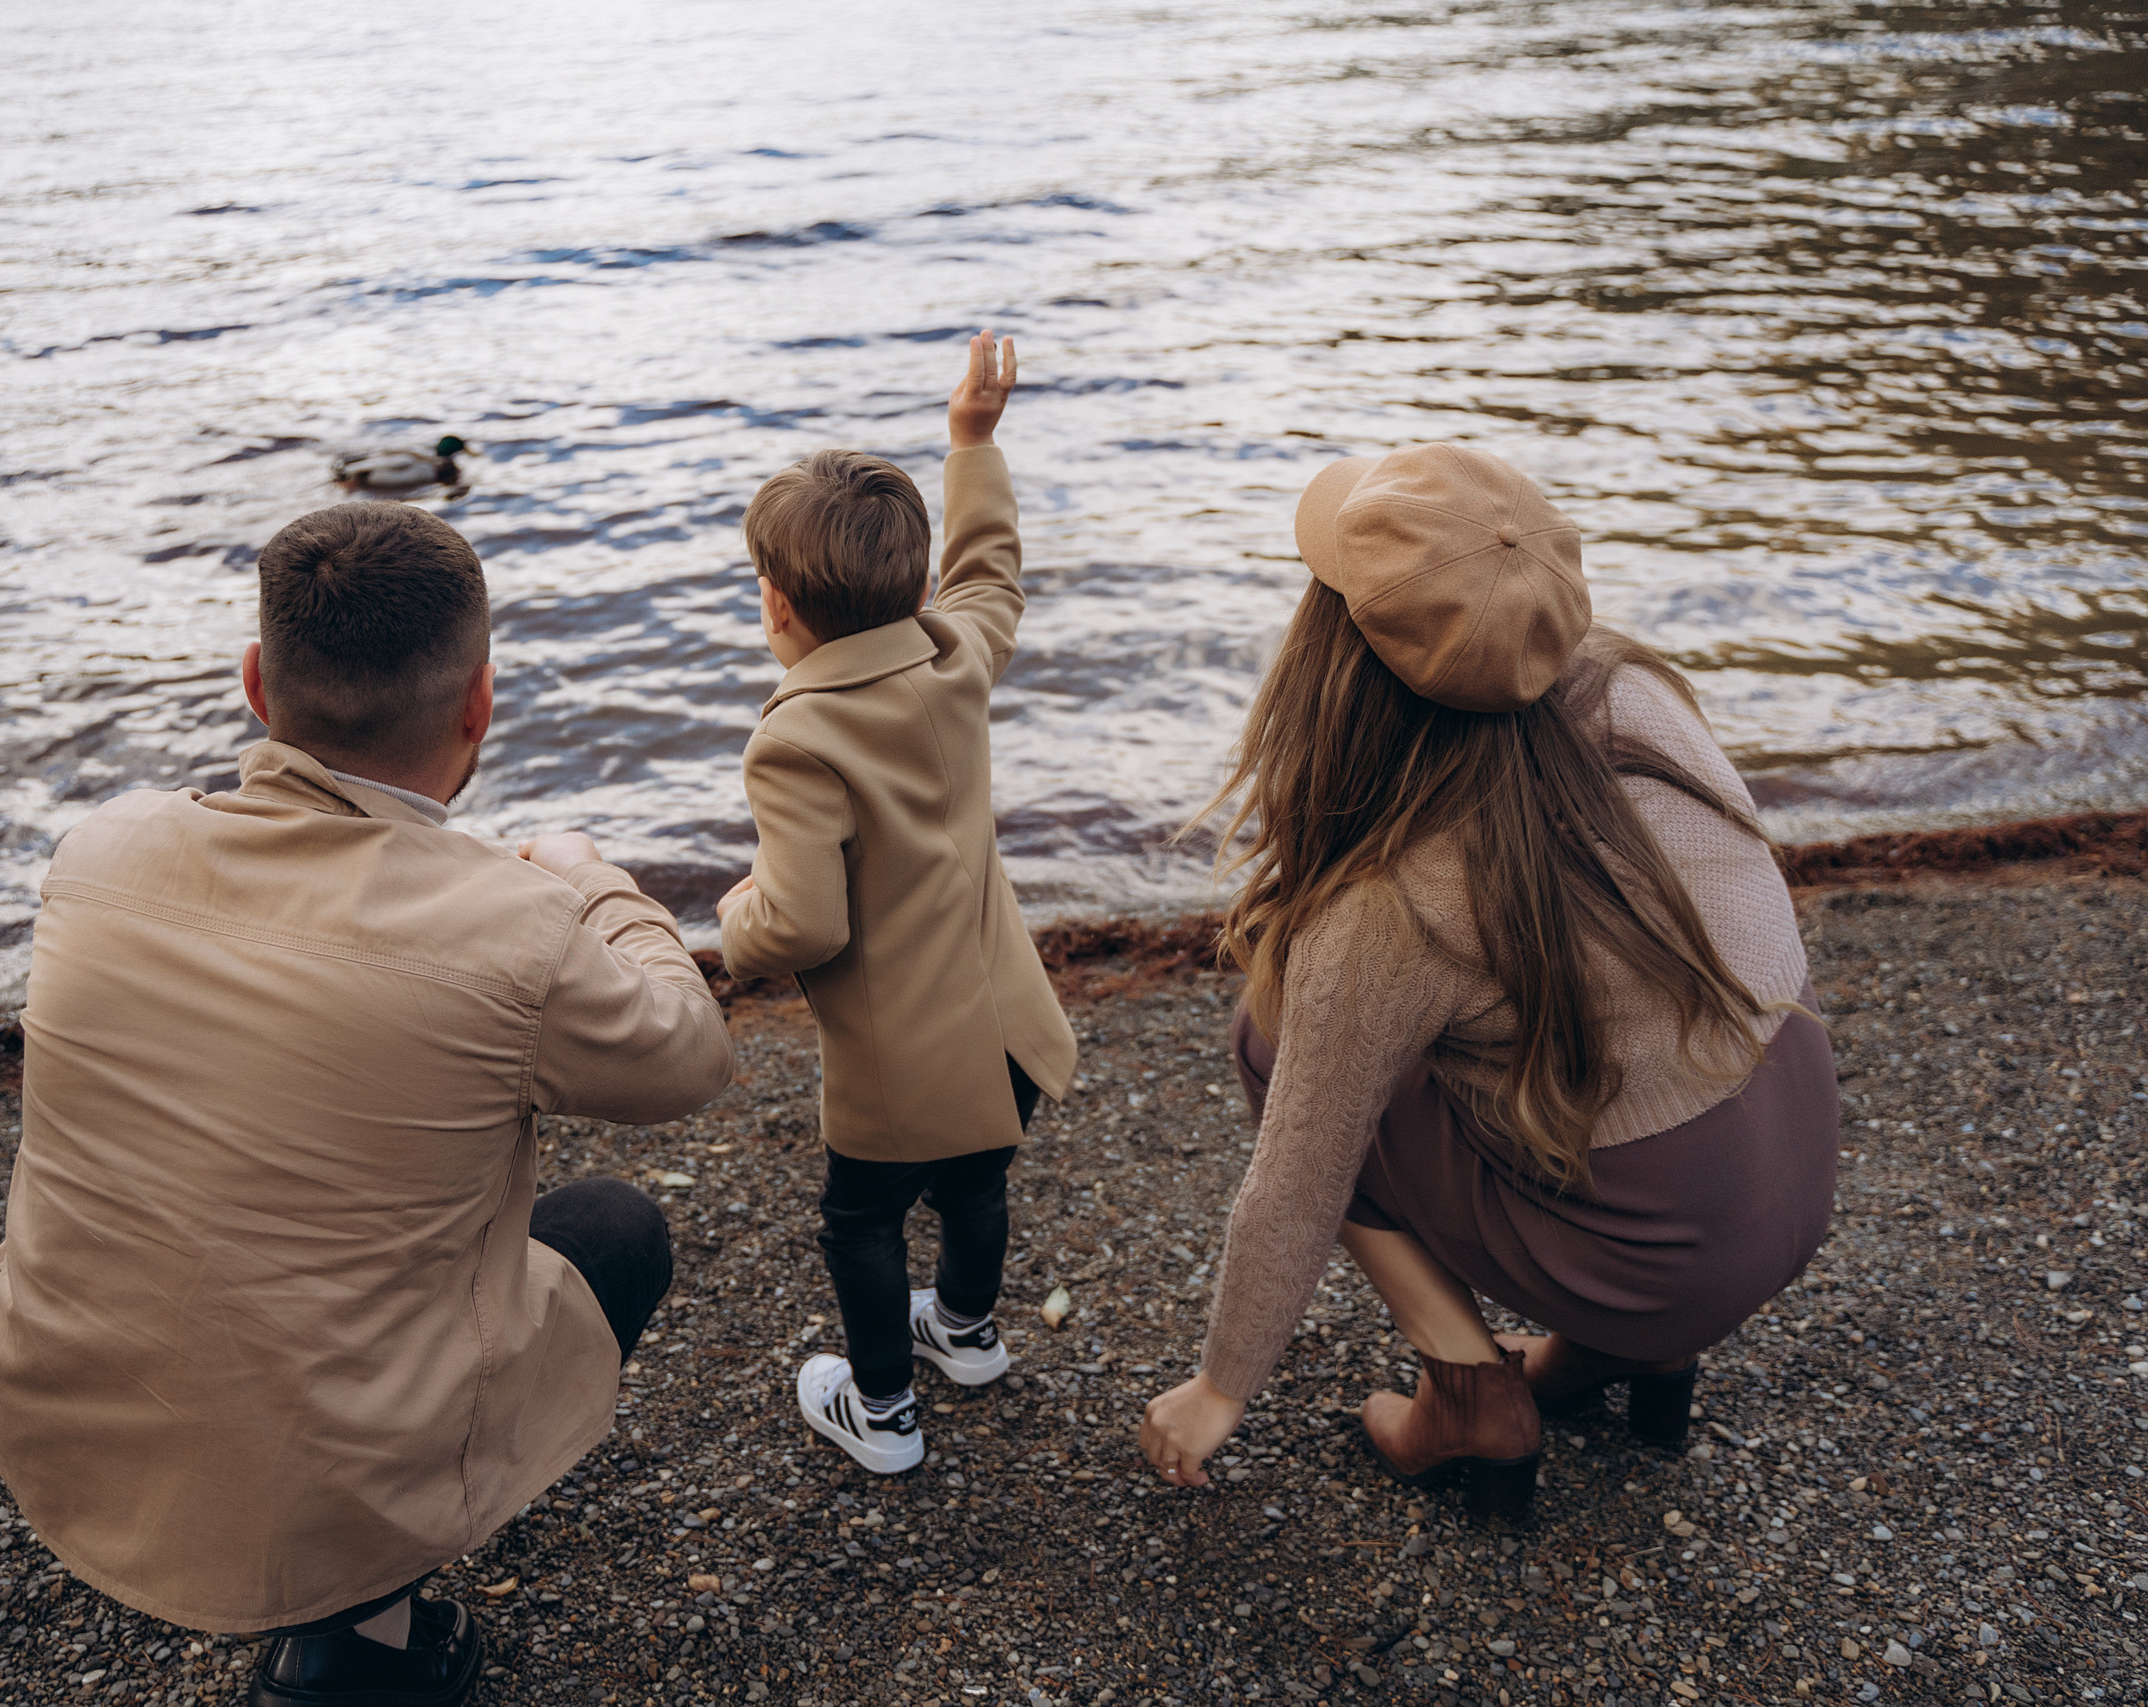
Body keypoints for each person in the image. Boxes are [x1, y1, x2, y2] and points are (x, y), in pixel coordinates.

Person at [0, 502, 734, 1707]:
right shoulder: (514, 927)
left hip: (61, 1405)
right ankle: (360, 1632)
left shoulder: (99, 854)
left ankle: (334, 1557)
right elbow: (687, 1057)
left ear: (256, 684)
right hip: (324, 1470)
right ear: (479, 704)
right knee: (615, 1230)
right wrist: (593, 883)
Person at [1138, 443, 1836, 1516]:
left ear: (1333, 656)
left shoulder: (1393, 907)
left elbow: (1296, 1182)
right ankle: (1634, 1359)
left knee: (1270, 1043)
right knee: (1565, 1034)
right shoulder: (1636, 688)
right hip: (1787, 1174)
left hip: (1657, 1258)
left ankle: (1471, 1394)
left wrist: (1219, 1386)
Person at [717, 331, 1078, 1474]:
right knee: (976, 1184)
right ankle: (964, 1333)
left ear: (776, 605)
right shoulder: (953, 657)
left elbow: (803, 924)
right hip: (1008, 1027)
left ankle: (881, 1410)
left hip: (901, 1062)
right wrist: (971, 441)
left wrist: (734, 922)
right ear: (916, 590)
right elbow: (991, 575)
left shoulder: (797, 739)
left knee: (861, 1223)